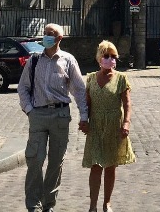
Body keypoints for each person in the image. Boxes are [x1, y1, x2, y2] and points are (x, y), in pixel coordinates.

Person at [17, 22, 89, 212]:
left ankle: (48, 205)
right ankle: (33, 205)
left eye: (51, 34)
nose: (46, 36)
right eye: (45, 33)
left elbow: (79, 90)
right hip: (38, 115)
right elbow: (23, 87)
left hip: (60, 115)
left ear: (59, 38)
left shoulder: (68, 60)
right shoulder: (33, 61)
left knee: (56, 162)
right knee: (35, 159)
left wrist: (84, 115)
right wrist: (29, 109)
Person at [82, 40, 134, 212]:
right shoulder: (90, 78)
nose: (110, 59)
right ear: (99, 58)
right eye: (106, 56)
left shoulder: (121, 79)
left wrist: (126, 123)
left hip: (114, 125)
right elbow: (87, 104)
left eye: (113, 56)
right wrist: (84, 121)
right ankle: (93, 205)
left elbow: (127, 104)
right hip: (96, 125)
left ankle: (107, 203)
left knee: (110, 165)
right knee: (96, 165)